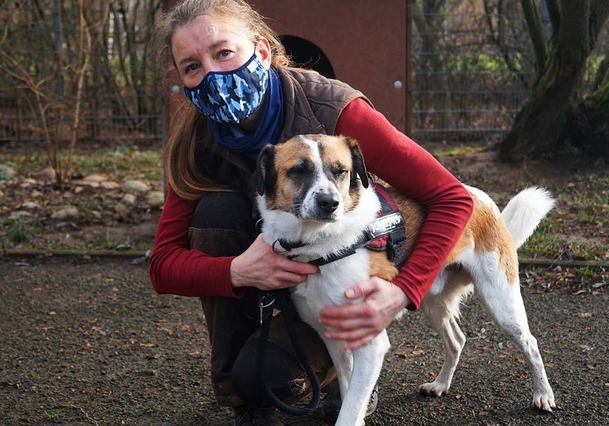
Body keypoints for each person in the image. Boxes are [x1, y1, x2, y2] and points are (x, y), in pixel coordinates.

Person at [149, 0, 473, 424]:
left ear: (261, 51)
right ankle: (243, 395)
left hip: (332, 276)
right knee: (217, 212)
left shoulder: (336, 111)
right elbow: (162, 265)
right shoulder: (196, 141)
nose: (211, 74)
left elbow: (454, 199)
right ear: (182, 79)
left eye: (223, 52)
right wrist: (237, 270)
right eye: (192, 66)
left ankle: (344, 380)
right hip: (267, 274)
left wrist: (402, 291)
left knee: (270, 375)